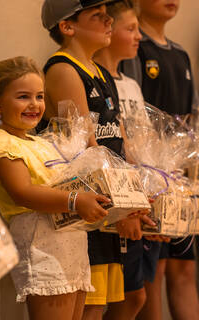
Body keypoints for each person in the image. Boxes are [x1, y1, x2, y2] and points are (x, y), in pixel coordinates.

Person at [0, 56, 111, 320]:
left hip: (72, 244)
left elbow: (73, 185)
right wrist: (75, 200)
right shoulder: (2, 144)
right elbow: (23, 192)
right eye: (23, 96)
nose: (34, 105)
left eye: (39, 96)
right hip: (42, 246)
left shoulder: (44, 143)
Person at [41, 1, 129, 318]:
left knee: (106, 303)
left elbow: (118, 139)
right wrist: (122, 206)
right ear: (68, 26)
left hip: (107, 196)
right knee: (88, 309)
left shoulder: (100, 70)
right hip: (87, 200)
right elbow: (84, 148)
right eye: (98, 15)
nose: (109, 20)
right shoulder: (63, 69)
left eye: (108, 13)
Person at [120, 1, 199, 319]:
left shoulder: (180, 53)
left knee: (183, 268)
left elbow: (191, 118)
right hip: (152, 177)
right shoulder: (135, 48)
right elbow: (134, 119)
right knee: (154, 271)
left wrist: (190, 175)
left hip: (178, 179)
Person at [93, 1, 168, 319]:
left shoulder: (132, 85)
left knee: (138, 293)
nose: (138, 36)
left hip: (138, 196)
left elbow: (142, 144)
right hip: (113, 199)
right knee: (121, 297)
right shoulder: (94, 79)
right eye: (131, 28)